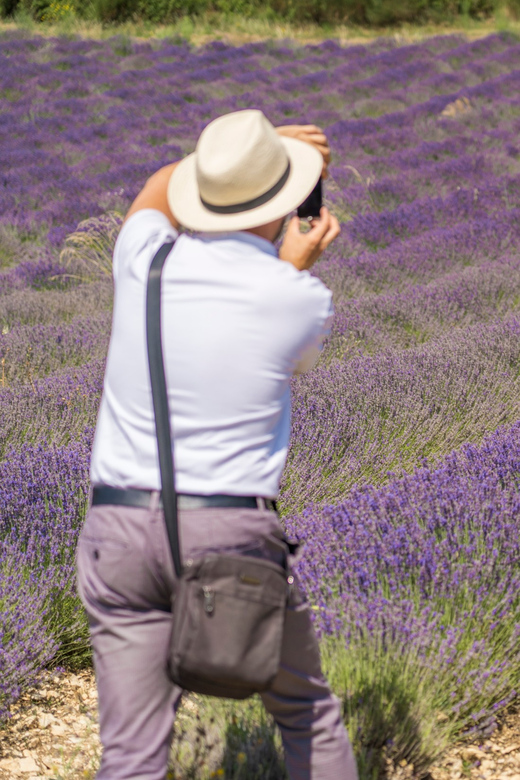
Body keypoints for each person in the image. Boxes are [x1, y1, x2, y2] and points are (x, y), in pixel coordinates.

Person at [76, 109, 358, 780]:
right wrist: (289, 261)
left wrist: (239, 155)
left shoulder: (142, 256)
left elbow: (155, 189)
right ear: (285, 200)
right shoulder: (298, 299)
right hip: (229, 534)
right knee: (307, 717)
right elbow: (271, 359)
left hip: (116, 527)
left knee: (131, 755)